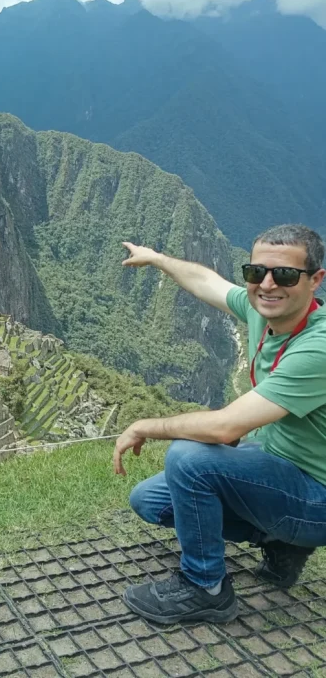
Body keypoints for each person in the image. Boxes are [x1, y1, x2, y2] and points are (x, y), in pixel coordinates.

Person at [115, 224, 326, 625]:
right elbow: (206, 282)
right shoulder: (263, 308)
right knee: (150, 502)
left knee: (190, 457)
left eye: (283, 274)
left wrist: (146, 425)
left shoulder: (319, 346)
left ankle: (205, 588)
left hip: (318, 497)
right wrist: (158, 259)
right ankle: (280, 542)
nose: (267, 284)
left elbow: (224, 429)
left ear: (315, 280)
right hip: (278, 464)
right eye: (255, 272)